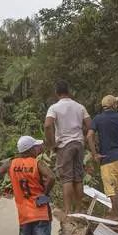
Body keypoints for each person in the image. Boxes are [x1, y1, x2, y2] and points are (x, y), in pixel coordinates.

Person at [43, 81, 92, 216]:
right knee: (78, 178)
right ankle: (79, 210)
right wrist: (83, 135)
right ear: (68, 91)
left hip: (64, 145)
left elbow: (47, 125)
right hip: (79, 144)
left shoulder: (54, 108)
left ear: (57, 93)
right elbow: (90, 124)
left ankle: (68, 211)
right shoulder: (79, 107)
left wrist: (52, 144)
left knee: (67, 178)